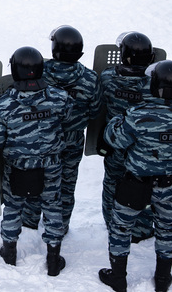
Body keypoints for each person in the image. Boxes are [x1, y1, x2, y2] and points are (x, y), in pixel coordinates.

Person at [99, 61, 172, 292]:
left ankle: (118, 276)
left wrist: (118, 118)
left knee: (121, 229)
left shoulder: (139, 115)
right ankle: (163, 278)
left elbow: (114, 140)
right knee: (166, 229)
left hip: (136, 183)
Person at [0, 46, 72, 277]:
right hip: (51, 164)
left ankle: (9, 252)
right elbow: (67, 122)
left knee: (13, 207)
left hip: (18, 166)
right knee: (53, 207)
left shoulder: (3, 104)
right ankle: (53, 258)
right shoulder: (60, 97)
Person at [22, 26, 100, 236]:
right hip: (72, 140)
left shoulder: (39, 71)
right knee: (66, 184)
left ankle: (29, 224)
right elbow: (95, 112)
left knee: (36, 179)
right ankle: (60, 226)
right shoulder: (90, 79)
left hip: (40, 137)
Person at [98, 32, 157, 244]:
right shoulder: (155, 84)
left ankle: (111, 222)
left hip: (116, 144)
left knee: (113, 183)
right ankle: (141, 228)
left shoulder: (108, 77)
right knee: (143, 185)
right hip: (145, 148)